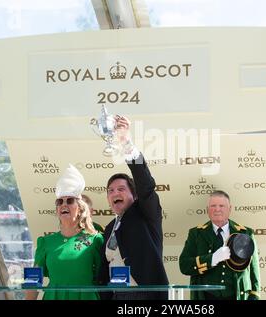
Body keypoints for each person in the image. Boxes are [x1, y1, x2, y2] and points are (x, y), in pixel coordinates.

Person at [97, 115, 168, 300]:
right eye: (110, 191)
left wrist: (126, 143)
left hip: (144, 295)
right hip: (116, 295)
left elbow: (145, 184)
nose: (115, 194)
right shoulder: (109, 228)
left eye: (121, 189)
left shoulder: (146, 214)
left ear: (134, 195)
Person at [26, 164, 103, 300]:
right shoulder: (45, 242)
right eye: (59, 202)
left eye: (70, 200)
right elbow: (33, 279)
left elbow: (104, 277)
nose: (63, 204)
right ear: (57, 210)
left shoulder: (96, 240)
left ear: (80, 208)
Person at [179, 190, 261, 300]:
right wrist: (212, 259)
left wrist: (255, 295)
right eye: (213, 206)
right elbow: (184, 265)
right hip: (206, 297)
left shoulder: (246, 233)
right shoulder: (196, 234)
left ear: (230, 209)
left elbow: (254, 269)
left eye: (221, 205)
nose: (217, 209)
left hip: (237, 296)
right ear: (207, 210)